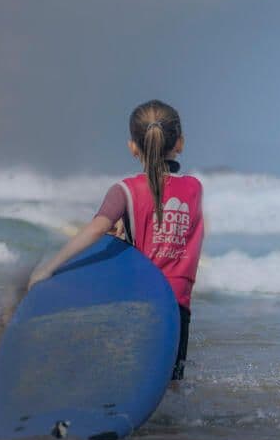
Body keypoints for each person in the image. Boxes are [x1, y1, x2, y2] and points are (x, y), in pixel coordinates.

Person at [29, 100, 203, 381]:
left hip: (139, 301)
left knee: (129, 375)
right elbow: (168, 222)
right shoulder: (195, 188)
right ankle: (172, 426)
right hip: (178, 306)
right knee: (171, 384)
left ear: (133, 147)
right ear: (179, 143)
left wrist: (48, 267)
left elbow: (97, 229)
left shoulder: (124, 190)